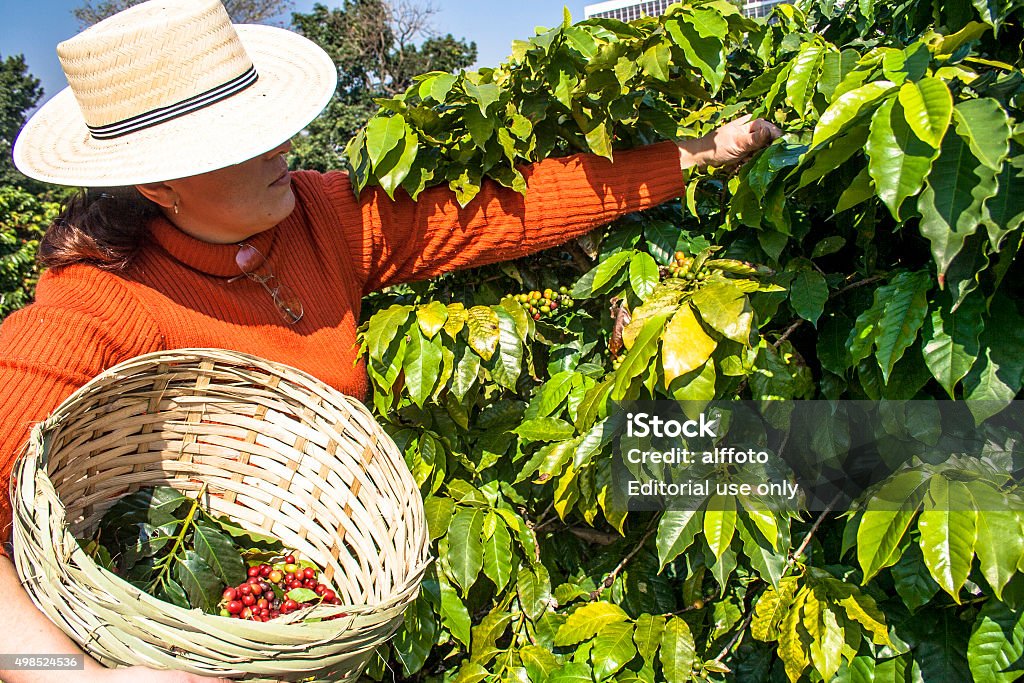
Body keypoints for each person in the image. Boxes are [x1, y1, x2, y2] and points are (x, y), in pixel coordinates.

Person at [0, 0, 781, 680]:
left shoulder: (317, 213)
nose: (284, 148)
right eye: (244, 140)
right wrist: (65, 674)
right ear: (158, 184)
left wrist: (689, 158)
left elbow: (495, 215)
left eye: (270, 121)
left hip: (318, 620)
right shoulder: (92, 310)